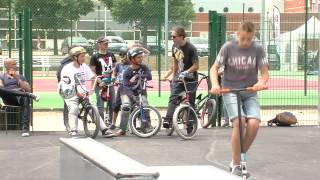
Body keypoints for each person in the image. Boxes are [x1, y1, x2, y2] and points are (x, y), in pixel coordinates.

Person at [209, 21, 269, 176]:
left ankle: (238, 155)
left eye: (249, 39)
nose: (245, 43)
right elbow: (214, 68)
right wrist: (216, 84)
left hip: (249, 92)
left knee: (254, 124)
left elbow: (264, 73)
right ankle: (236, 164)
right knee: (239, 122)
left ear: (253, 37)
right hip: (231, 91)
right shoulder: (228, 48)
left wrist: (260, 83)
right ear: (237, 35)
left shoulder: (258, 49)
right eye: (243, 39)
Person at [59, 46, 109, 136]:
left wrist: (98, 83)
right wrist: (77, 93)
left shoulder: (84, 67)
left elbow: (92, 77)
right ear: (75, 57)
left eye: (84, 56)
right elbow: (66, 85)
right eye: (82, 56)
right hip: (71, 93)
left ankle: (104, 129)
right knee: (73, 108)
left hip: (83, 92)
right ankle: (73, 129)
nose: (84, 58)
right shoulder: (67, 69)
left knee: (93, 108)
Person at [107, 48, 152, 137]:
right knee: (126, 106)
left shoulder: (144, 67)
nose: (140, 59)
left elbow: (149, 76)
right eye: (138, 57)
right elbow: (126, 86)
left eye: (141, 57)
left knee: (144, 104)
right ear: (132, 59)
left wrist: (138, 75)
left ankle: (146, 126)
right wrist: (132, 96)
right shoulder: (127, 71)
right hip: (126, 92)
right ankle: (122, 129)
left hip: (140, 91)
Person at [162, 26, 199, 133]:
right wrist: (174, 78)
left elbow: (196, 66)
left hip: (191, 79)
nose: (172, 38)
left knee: (190, 101)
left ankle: (190, 125)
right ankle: (168, 120)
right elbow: (175, 63)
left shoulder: (191, 48)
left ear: (181, 36)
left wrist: (186, 72)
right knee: (173, 97)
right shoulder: (174, 46)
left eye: (174, 36)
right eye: (171, 36)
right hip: (179, 78)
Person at [0, 58, 34, 137]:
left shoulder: (20, 76)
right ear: (7, 66)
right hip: (8, 98)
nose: (16, 66)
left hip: (20, 98)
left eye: (16, 64)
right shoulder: (1, 76)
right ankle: (27, 95)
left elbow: (28, 88)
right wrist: (16, 90)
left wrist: (17, 78)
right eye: (14, 64)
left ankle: (24, 128)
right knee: (25, 94)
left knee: (25, 97)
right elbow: (1, 88)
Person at [89, 36, 117, 127]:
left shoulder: (111, 54)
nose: (106, 44)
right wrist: (100, 81)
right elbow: (92, 71)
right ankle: (101, 125)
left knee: (112, 103)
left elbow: (114, 67)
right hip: (100, 84)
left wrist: (113, 75)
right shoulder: (95, 57)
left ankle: (110, 122)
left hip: (110, 83)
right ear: (99, 44)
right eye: (104, 43)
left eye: (107, 43)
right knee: (100, 104)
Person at [111, 47, 130, 130]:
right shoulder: (118, 65)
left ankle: (128, 124)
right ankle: (113, 123)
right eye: (121, 56)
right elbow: (114, 73)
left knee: (128, 106)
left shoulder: (132, 64)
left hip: (129, 87)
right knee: (116, 105)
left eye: (124, 56)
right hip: (121, 86)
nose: (122, 58)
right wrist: (114, 78)